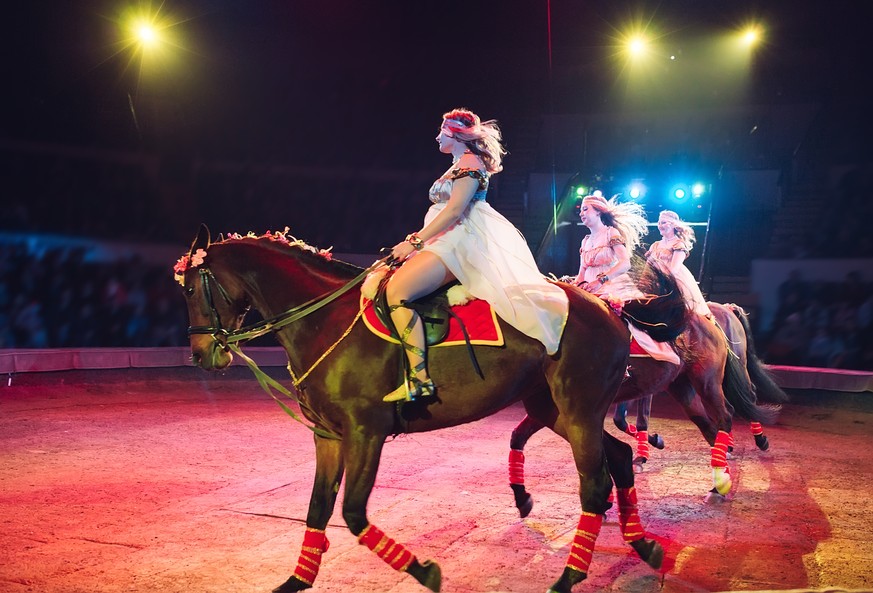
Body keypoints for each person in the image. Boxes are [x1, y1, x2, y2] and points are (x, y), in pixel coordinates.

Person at [382, 108, 569, 403]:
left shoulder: (469, 163)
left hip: (456, 241)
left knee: (397, 293)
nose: (436, 137)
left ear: (456, 135)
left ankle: (419, 379)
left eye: (441, 132)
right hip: (442, 239)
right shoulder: (458, 163)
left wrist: (415, 242)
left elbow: (455, 210)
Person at [573, 193, 679, 365]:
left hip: (612, 284)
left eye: (586, 209)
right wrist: (574, 285)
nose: (581, 213)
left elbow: (625, 263)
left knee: (625, 319)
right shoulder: (585, 241)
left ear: (599, 212)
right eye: (581, 210)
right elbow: (581, 272)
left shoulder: (611, 233)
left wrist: (601, 280)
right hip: (590, 287)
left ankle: (628, 361)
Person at [645, 210, 712, 318]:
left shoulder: (678, 244)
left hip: (673, 281)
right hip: (655, 280)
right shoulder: (655, 245)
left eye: (664, 222)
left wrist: (660, 282)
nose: (660, 225)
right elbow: (648, 267)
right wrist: (643, 282)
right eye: (659, 222)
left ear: (673, 225)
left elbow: (673, 270)